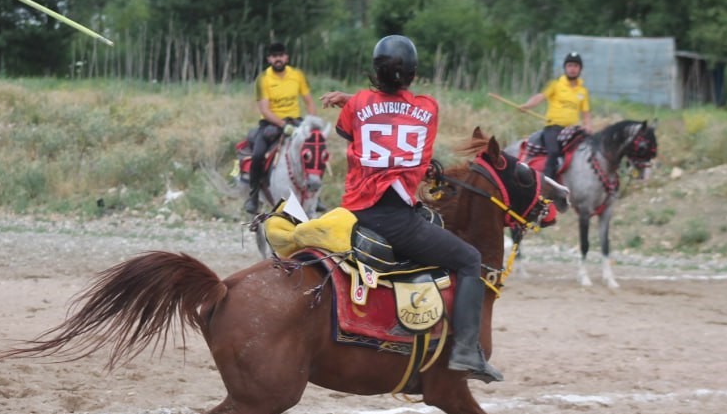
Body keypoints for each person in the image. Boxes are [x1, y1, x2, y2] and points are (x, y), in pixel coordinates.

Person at [321, 35, 502, 384]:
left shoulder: (357, 105)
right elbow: (397, 117)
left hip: (354, 212)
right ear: (413, 74)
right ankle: (466, 349)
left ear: (374, 72)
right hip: (395, 219)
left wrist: (350, 99)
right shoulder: (427, 108)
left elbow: (359, 121)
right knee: (469, 260)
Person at [245, 41, 316, 214]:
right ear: (269, 59)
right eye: (274, 56)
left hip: (296, 122)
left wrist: (311, 123)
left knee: (315, 152)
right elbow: (264, 109)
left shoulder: (297, 75)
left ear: (286, 57)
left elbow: (309, 102)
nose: (278, 59)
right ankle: (253, 196)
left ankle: (315, 195)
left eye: (281, 55)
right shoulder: (263, 79)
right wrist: (283, 125)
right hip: (271, 123)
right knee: (258, 154)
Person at [518, 51, 591, 183]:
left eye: (575, 66)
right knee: (553, 152)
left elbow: (586, 112)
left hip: (573, 130)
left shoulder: (583, 91)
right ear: (565, 68)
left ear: (580, 69)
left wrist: (588, 125)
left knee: (588, 150)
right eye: (569, 65)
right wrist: (528, 105)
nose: (572, 69)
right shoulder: (555, 85)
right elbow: (541, 96)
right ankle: (547, 183)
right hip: (554, 128)